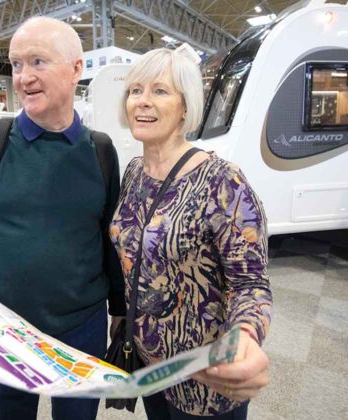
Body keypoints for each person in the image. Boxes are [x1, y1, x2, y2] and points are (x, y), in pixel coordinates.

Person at [0, 16, 124, 420]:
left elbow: (108, 240)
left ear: (76, 69)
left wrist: (120, 307)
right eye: (16, 64)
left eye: (38, 62)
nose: (23, 77)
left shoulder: (99, 151)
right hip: (3, 329)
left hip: (80, 329)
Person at [109, 47, 272, 419]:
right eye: (135, 90)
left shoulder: (221, 181)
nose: (142, 102)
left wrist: (245, 336)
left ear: (186, 107)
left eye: (160, 91)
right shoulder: (134, 172)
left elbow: (251, 285)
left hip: (204, 377)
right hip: (149, 366)